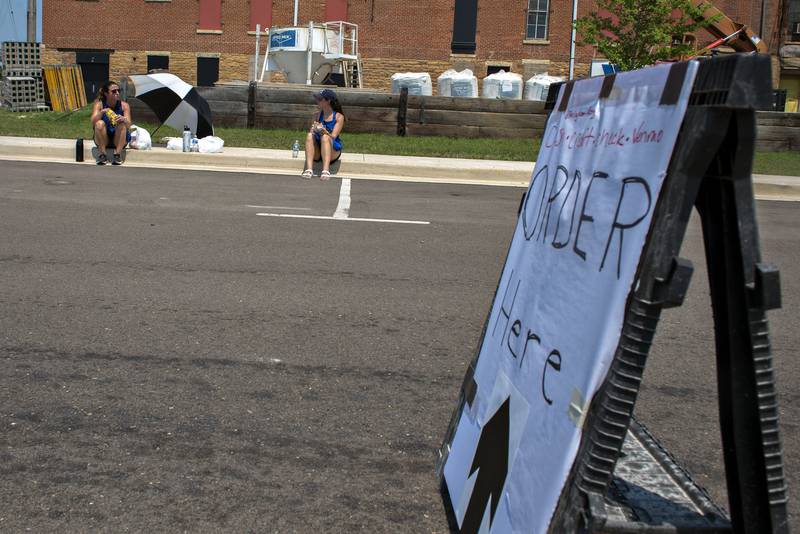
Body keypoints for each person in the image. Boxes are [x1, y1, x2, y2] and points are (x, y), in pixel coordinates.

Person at [302, 88, 345, 181]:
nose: (317, 100)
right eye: (317, 98)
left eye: (320, 99)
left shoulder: (338, 117)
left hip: (332, 150)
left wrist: (325, 131)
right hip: (318, 151)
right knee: (309, 135)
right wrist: (314, 129)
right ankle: (309, 169)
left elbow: (333, 136)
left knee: (325, 137)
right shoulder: (316, 115)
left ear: (328, 101)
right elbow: (312, 132)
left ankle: (325, 170)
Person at [90, 80, 132, 165]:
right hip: (103, 139)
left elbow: (129, 125)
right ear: (106, 94)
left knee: (122, 125)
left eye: (118, 91)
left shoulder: (124, 105)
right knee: (99, 123)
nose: (117, 93)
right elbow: (93, 122)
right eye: (113, 91)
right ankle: (102, 155)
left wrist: (123, 119)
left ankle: (117, 155)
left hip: (119, 140)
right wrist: (101, 112)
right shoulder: (99, 105)